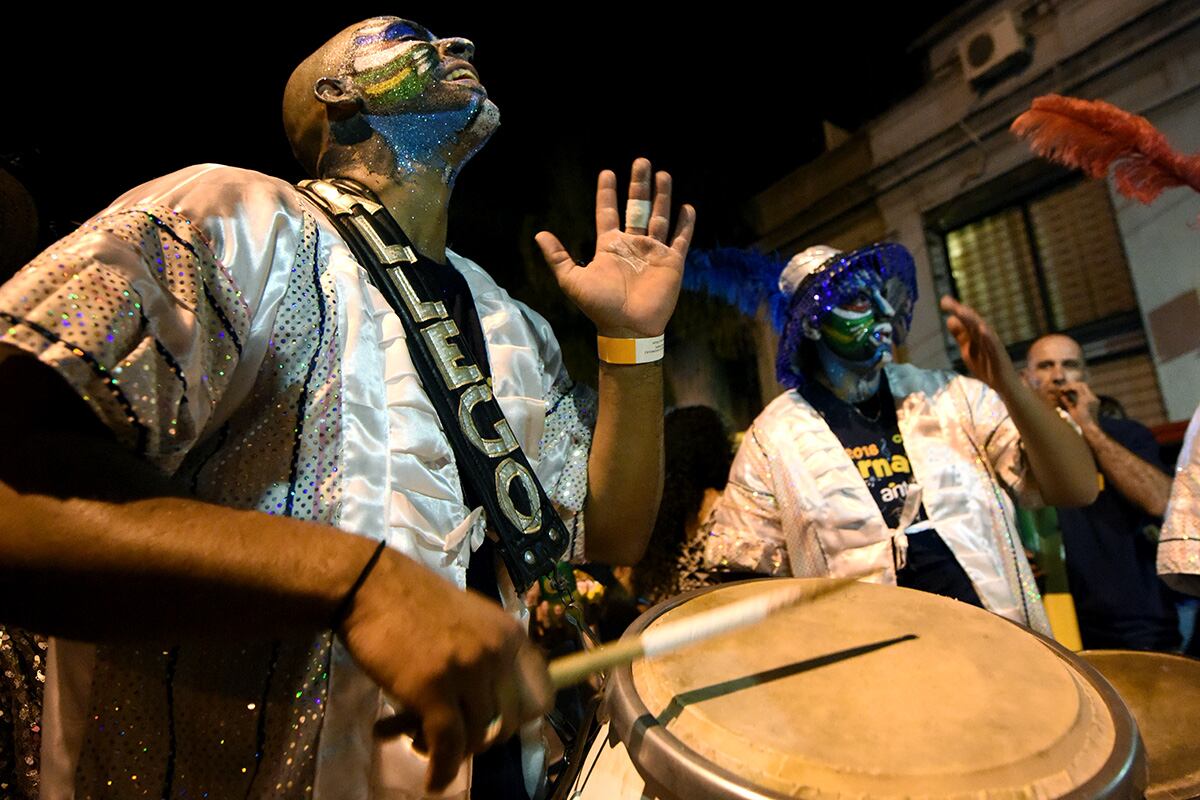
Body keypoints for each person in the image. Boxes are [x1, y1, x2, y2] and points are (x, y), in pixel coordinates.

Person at [0, 15, 693, 800]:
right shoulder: (233, 217)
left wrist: (632, 343)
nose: (458, 45)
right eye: (410, 35)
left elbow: (609, 530)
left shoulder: (507, 320)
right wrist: (357, 582)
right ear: (339, 93)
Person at [705, 243, 1097, 632]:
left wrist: (1007, 384)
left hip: (1002, 661)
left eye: (883, 295)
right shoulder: (773, 439)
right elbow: (743, 584)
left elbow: (1077, 489)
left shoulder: (950, 397)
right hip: (876, 681)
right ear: (811, 324)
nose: (885, 313)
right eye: (861, 300)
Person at [1022, 334, 1179, 649]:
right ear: (1027, 380)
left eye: (1070, 365)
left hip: (1137, 629)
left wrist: (1090, 429)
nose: (1058, 376)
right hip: (1054, 632)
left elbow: (1160, 501)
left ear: (1087, 376)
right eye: (1046, 366)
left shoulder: (1126, 435)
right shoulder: (1014, 447)